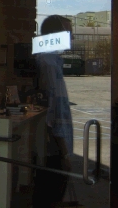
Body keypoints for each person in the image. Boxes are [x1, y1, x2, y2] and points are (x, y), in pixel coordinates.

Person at [32, 15, 74, 208]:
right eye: (68, 32)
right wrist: (64, 151)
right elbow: (54, 112)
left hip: (58, 143)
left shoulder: (53, 60)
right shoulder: (48, 63)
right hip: (55, 146)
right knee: (52, 195)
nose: (71, 37)